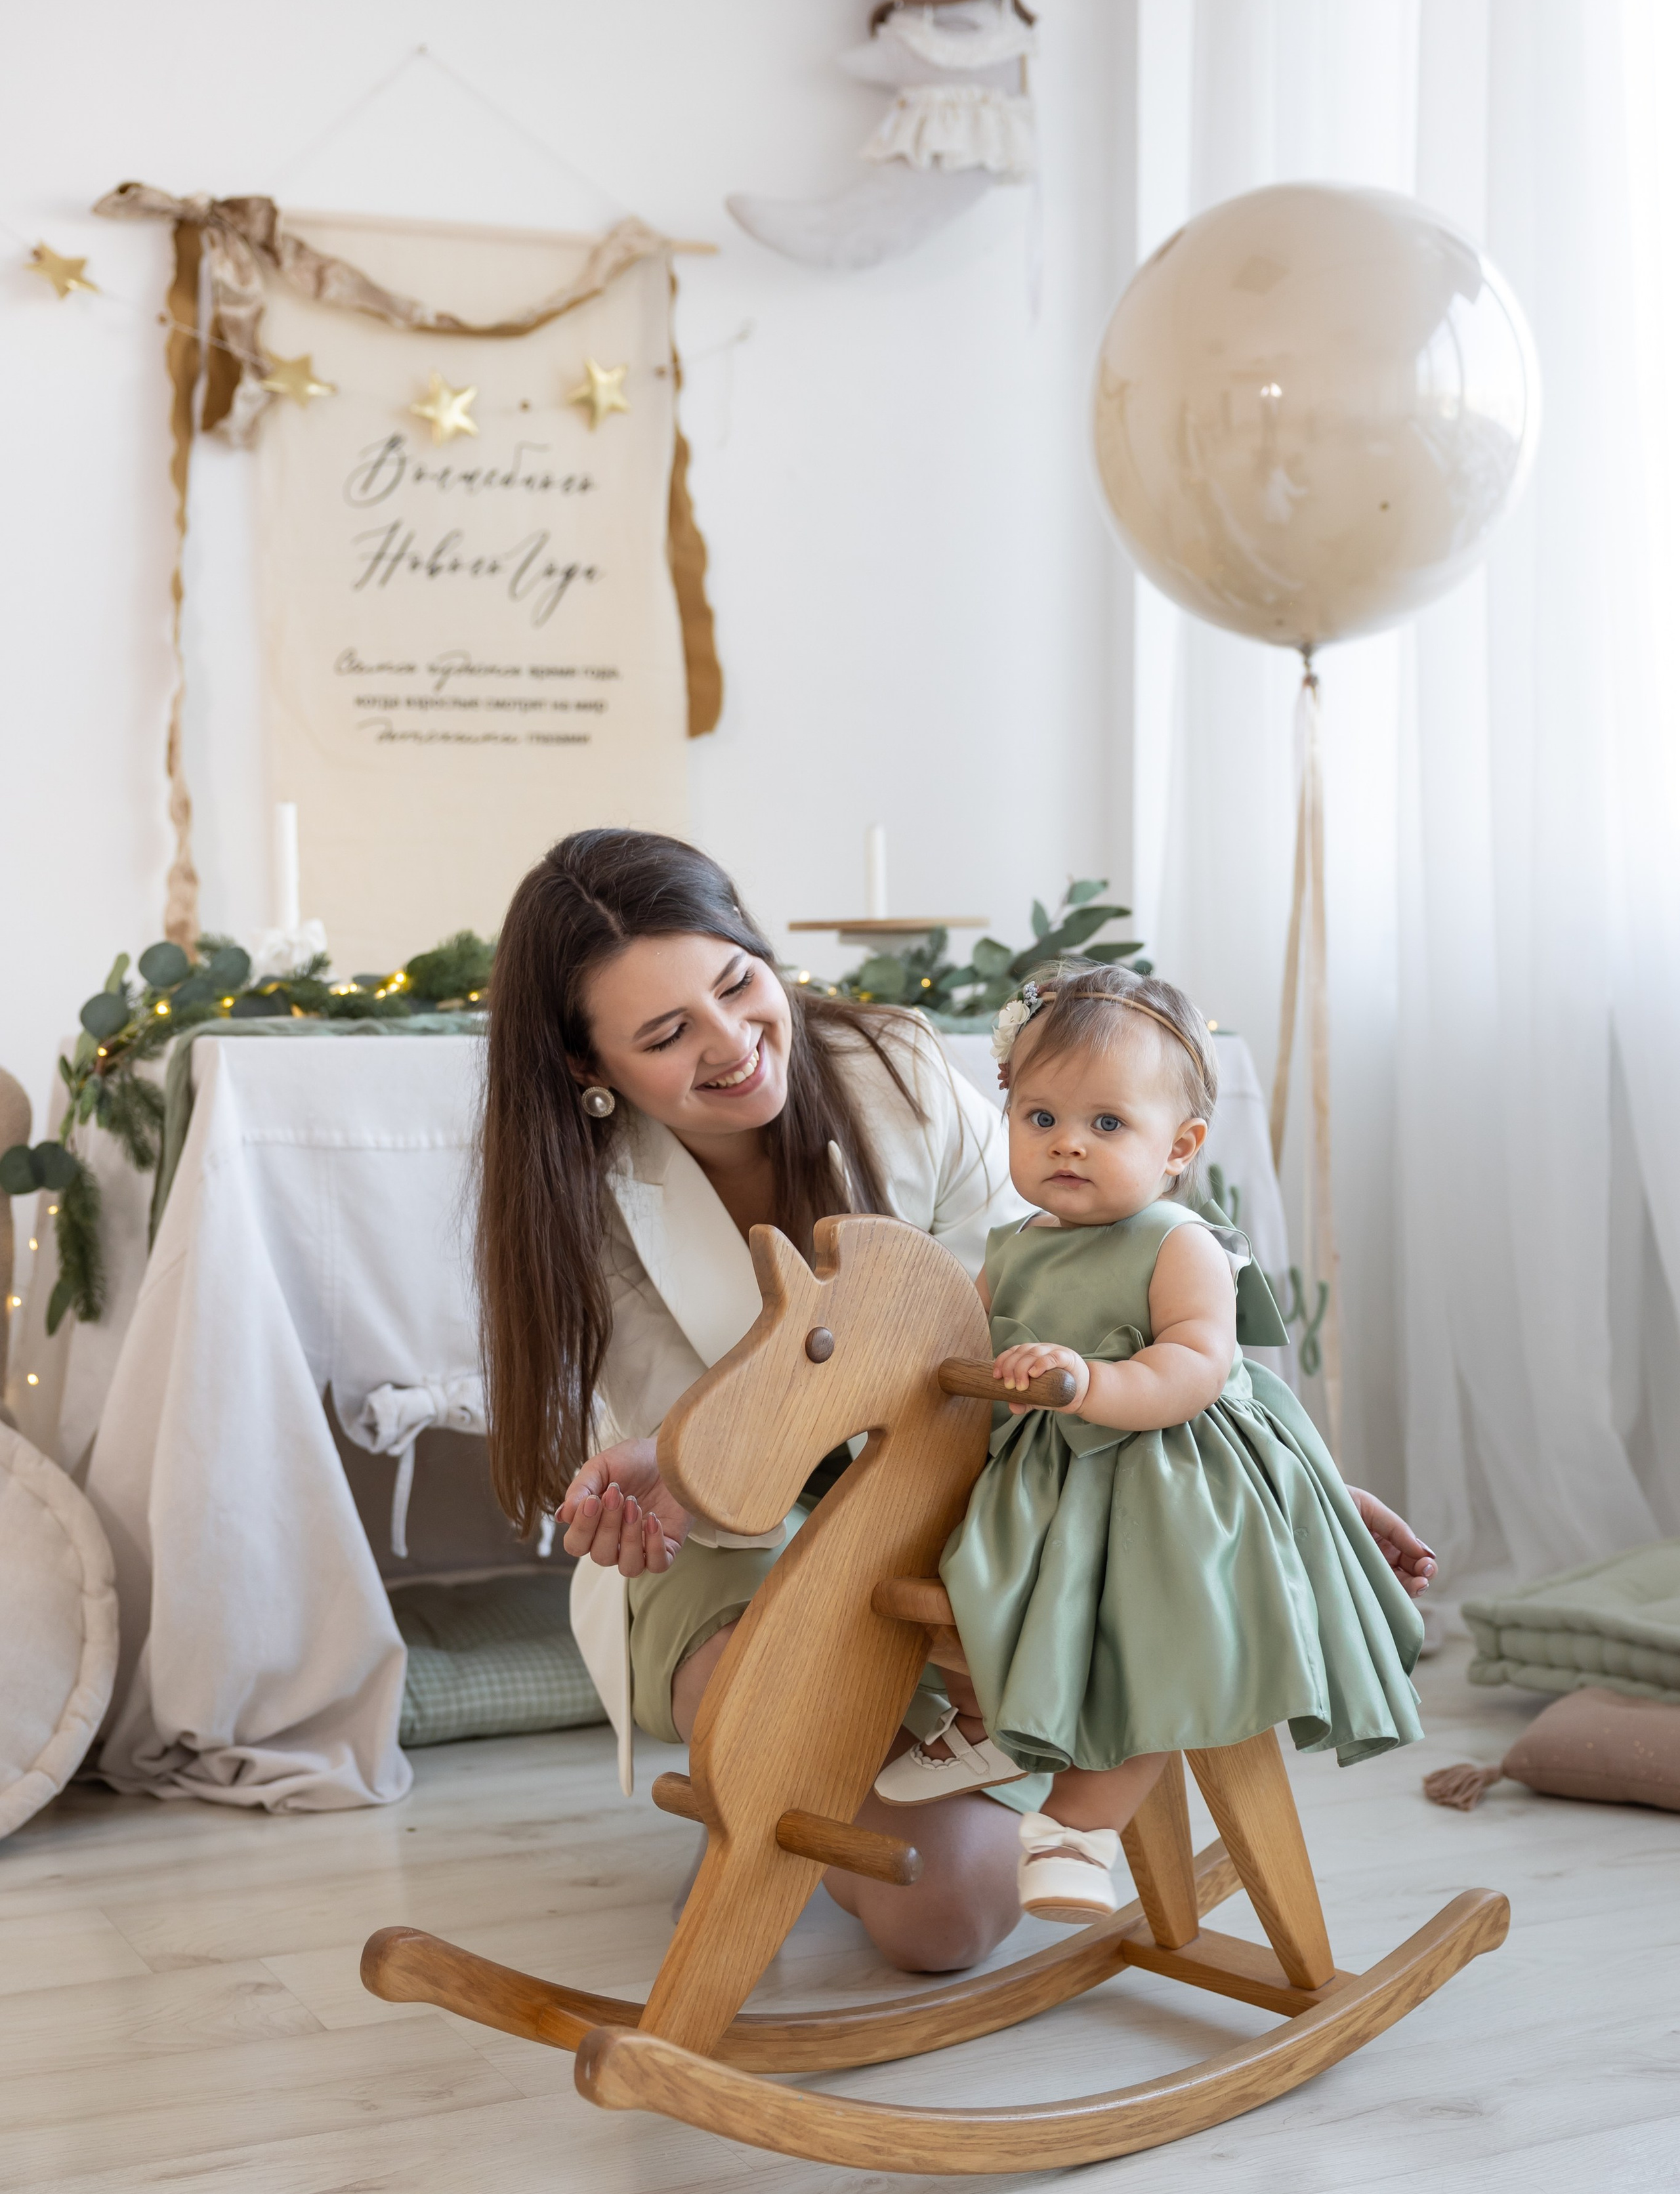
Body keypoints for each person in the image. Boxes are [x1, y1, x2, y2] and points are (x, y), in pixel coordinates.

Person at [477, 830, 1436, 1972]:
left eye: (738, 984)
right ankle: (797, 1777)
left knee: (954, 1914)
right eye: (666, 1035)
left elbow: (1083, 1314)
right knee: (882, 1839)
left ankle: (927, 1770)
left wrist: (1294, 1491)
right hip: (731, 1535)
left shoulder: (898, 1069)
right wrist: (644, 1484)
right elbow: (676, 1454)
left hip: (958, 1498)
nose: (734, 1044)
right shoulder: (578, 1197)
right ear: (593, 1070)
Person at [877, 964, 1428, 1927]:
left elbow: (1197, 1366)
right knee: (970, 1569)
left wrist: (1090, 1381)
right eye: (1040, 1119)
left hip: (1171, 1473)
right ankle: (984, 1717)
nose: (1068, 1145)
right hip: (1051, 1474)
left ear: (1179, 1147)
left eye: (1107, 1124)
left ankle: (1077, 1827)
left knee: (1152, 1615)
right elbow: (967, 1356)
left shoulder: (1179, 1242)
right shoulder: (1011, 1247)